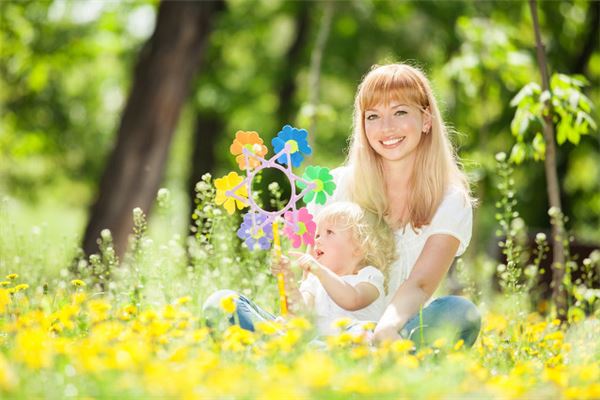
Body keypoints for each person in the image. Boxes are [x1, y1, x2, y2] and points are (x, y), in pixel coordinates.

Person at [310, 62, 481, 346]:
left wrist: (383, 333)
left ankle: (370, 359)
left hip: (395, 330)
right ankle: (328, 354)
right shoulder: (333, 185)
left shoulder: (451, 201)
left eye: (400, 112)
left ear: (426, 119)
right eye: (373, 116)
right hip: (327, 330)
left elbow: (421, 284)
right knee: (224, 304)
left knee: (461, 313)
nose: (386, 128)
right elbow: (312, 278)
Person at [203, 201, 396, 336]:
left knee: (363, 331)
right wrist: (288, 281)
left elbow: (352, 300)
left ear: (359, 247)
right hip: (311, 345)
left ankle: (273, 346)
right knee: (222, 301)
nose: (317, 240)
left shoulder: (369, 277)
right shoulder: (313, 281)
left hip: (346, 344)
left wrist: (319, 271)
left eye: (329, 233)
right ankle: (276, 342)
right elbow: (300, 317)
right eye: (317, 234)